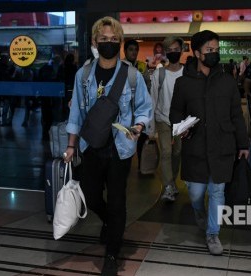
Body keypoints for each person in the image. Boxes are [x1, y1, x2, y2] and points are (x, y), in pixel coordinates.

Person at [63, 16, 152, 276]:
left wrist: (139, 126)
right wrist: (71, 146)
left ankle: (112, 253)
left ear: (121, 43)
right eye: (104, 39)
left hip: (120, 147)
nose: (109, 43)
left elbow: (144, 109)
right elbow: (76, 115)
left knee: (117, 201)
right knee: (90, 196)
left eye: (114, 39)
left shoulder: (132, 75)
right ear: (94, 41)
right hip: (91, 145)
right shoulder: (84, 75)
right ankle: (108, 222)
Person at [169, 30, 249, 255]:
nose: (214, 54)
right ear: (197, 53)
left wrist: (242, 144)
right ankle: (198, 211)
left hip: (223, 145)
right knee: (195, 193)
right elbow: (175, 113)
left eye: (216, 50)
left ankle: (213, 234)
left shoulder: (227, 81)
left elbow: (236, 115)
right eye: (209, 50)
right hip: (195, 146)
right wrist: (182, 129)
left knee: (217, 192)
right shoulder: (184, 83)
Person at [150, 36, 184, 202]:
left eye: (176, 50)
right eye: (169, 50)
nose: (173, 53)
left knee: (177, 152)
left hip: (182, 121)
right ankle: (169, 186)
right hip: (163, 118)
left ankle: (171, 182)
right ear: (165, 53)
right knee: (166, 152)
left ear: (182, 50)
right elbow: (153, 98)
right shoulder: (159, 73)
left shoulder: (187, 73)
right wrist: (151, 126)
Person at [123, 39, 151, 172]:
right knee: (125, 139)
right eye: (130, 49)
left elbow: (148, 86)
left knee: (141, 138)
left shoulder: (142, 66)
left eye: (136, 50)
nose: (133, 52)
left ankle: (141, 165)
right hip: (125, 110)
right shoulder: (120, 66)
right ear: (125, 51)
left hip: (139, 108)